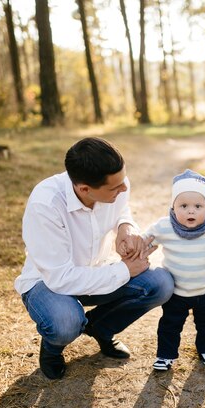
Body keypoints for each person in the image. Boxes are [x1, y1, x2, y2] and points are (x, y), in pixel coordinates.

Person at [14, 137, 174, 380]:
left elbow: (122, 209)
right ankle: (52, 348)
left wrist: (125, 227)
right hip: (48, 283)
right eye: (115, 188)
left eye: (123, 181)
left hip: (98, 270)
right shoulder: (45, 205)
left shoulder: (116, 183)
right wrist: (125, 270)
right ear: (84, 189)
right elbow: (60, 278)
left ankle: (100, 328)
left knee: (160, 284)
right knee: (66, 322)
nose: (124, 189)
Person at [140, 169, 205, 371]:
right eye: (183, 206)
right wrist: (139, 245)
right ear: (173, 206)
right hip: (177, 292)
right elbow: (146, 237)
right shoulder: (165, 226)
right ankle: (165, 355)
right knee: (170, 325)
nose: (191, 211)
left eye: (198, 206)